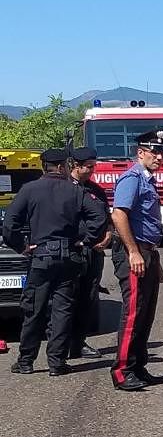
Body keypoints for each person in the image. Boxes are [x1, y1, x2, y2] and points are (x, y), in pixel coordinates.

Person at [3, 148, 107, 376]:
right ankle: (57, 363)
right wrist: (86, 240)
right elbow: (99, 216)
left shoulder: (29, 190)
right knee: (62, 310)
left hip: (40, 257)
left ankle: (26, 361)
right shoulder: (75, 191)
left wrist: (21, 246)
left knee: (34, 310)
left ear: (44, 167)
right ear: (62, 166)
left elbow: (10, 224)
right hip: (69, 256)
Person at [110, 130, 163, 391]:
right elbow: (119, 215)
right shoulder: (132, 179)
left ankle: (138, 365)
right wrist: (133, 252)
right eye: (154, 151)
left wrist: (154, 260)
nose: (159, 156)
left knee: (146, 314)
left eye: (162, 152)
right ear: (140, 153)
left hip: (147, 252)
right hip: (133, 252)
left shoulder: (147, 180)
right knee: (133, 313)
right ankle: (122, 370)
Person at [68, 147, 112, 359]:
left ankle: (79, 341)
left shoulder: (95, 190)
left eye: (94, 166)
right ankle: (62, 343)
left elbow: (107, 215)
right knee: (68, 297)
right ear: (75, 166)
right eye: (89, 167)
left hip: (94, 252)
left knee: (88, 297)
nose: (92, 171)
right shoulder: (64, 189)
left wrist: (108, 235)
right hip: (73, 251)